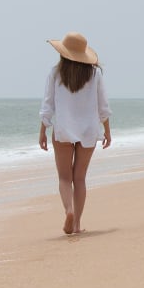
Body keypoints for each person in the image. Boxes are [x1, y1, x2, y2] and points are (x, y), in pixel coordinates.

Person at [38, 32, 112, 235]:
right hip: (88, 130)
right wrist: (107, 131)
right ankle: (77, 224)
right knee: (79, 179)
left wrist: (43, 130)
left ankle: (68, 210)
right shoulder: (95, 74)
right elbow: (103, 105)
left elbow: (48, 104)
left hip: (63, 129)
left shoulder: (56, 72)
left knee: (64, 178)